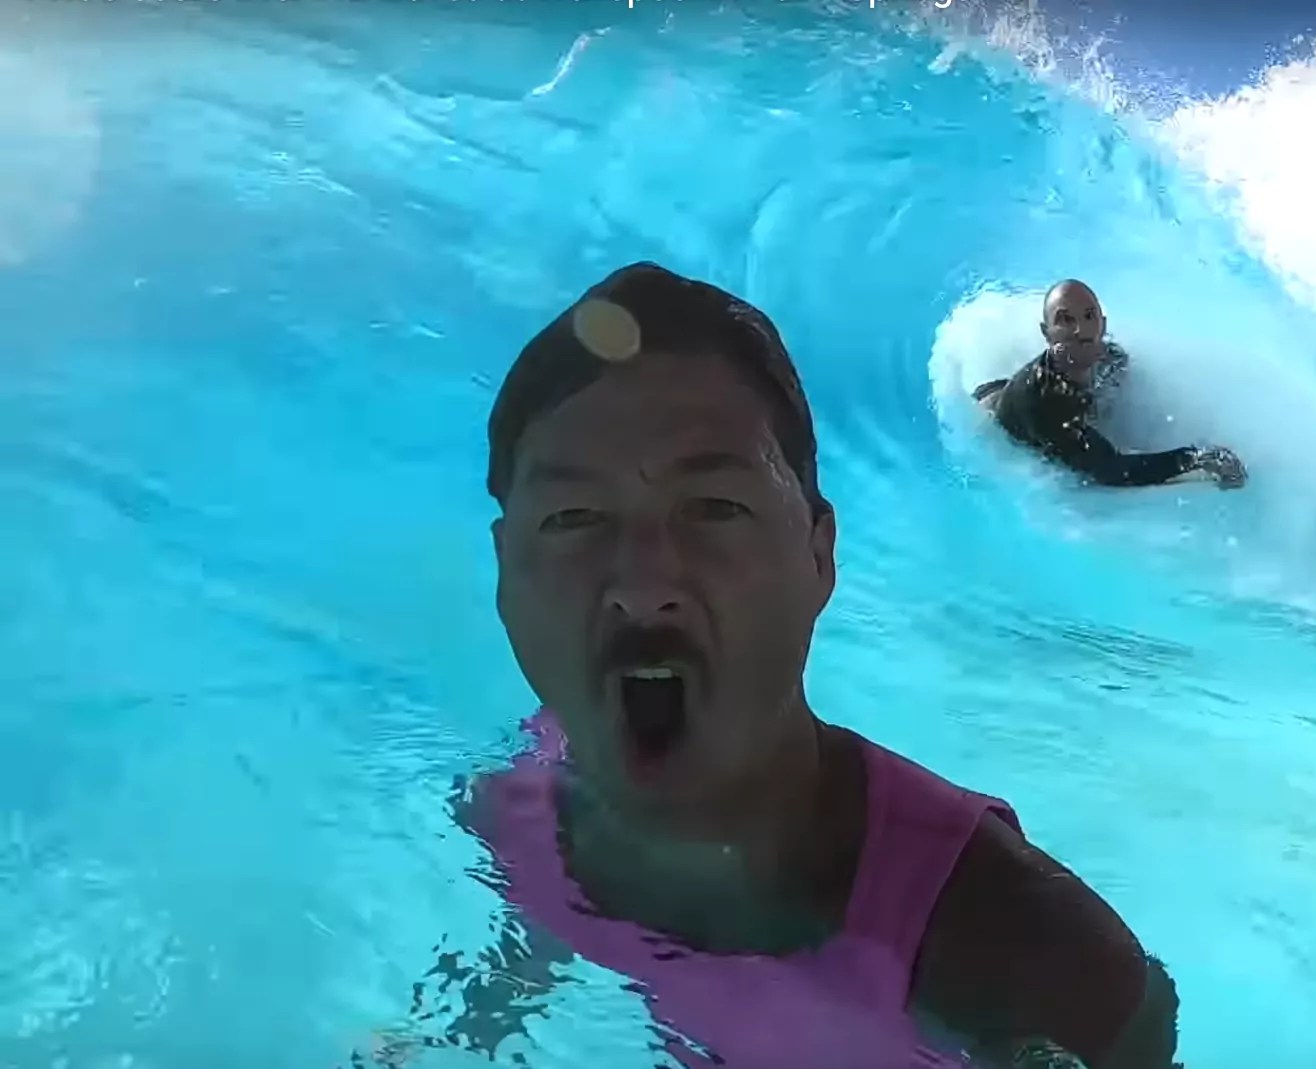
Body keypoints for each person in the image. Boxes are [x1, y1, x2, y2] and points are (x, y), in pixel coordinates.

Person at [361, 263, 1180, 1069]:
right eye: (574, 517)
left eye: (714, 507)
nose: (643, 587)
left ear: (820, 555)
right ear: (505, 572)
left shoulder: (1009, 949)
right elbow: (531, 937)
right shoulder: (517, 815)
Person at [972, 280, 1246, 490]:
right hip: (992, 419)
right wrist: (1196, 458)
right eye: (1066, 320)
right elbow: (1111, 471)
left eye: (1089, 317)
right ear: (1046, 333)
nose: (1081, 330)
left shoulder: (1111, 358)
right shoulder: (1045, 402)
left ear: (1103, 324)